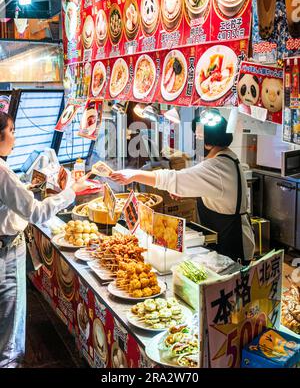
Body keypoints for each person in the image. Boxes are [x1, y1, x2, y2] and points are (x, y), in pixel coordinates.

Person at [0, 112, 87, 368]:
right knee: (10, 330)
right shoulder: (2, 171)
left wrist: (25, 192)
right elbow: (36, 213)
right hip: (5, 253)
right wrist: (73, 191)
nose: (15, 137)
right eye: (12, 130)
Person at [110, 116, 255, 264]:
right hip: (221, 239)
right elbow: (215, 192)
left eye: (198, 137)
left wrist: (134, 175)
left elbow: (173, 178)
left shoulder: (218, 166)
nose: (195, 141)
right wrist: (188, 194)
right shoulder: (223, 157)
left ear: (209, 143)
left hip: (233, 245)